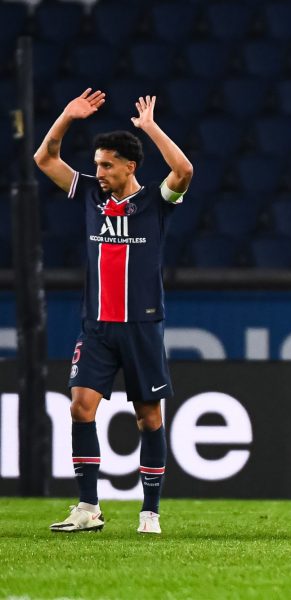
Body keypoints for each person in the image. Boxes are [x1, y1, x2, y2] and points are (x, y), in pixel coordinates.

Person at [34, 90, 193, 534]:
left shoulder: (155, 203)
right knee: (81, 408)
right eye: (97, 164)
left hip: (142, 325)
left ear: (130, 166)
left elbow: (183, 170)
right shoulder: (88, 194)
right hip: (98, 326)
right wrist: (66, 115)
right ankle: (88, 507)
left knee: (150, 419)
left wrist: (151, 129)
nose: (98, 172)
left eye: (107, 165)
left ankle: (150, 512)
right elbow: (44, 159)